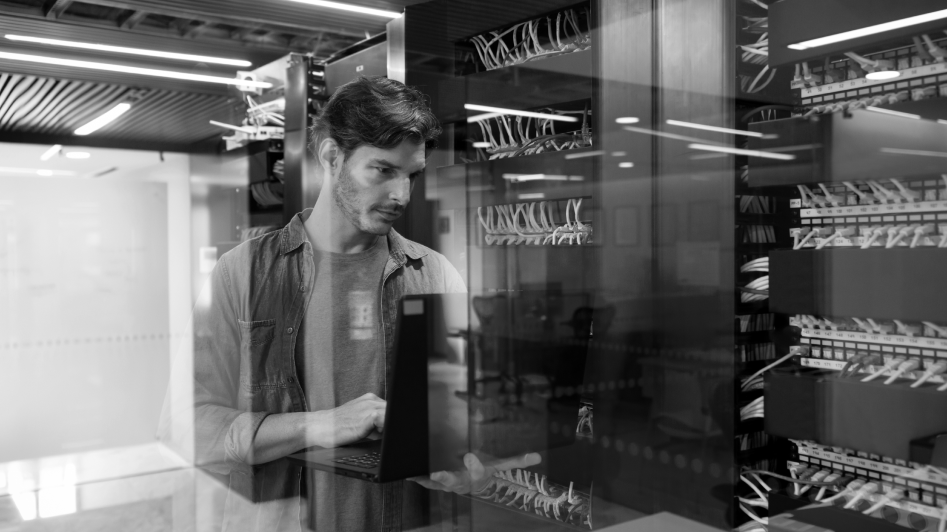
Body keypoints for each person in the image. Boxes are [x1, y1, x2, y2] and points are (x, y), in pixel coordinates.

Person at [159, 76, 539, 532]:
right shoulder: (242, 273)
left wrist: (458, 467)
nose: (401, 195)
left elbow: (453, 427)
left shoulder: (435, 275)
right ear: (331, 157)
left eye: (412, 175)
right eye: (382, 170)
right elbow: (184, 426)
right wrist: (320, 425)